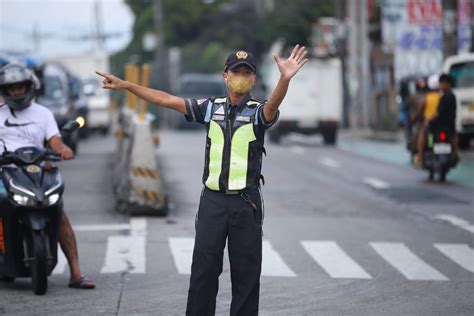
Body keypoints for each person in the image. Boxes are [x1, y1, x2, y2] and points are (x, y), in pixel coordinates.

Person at [96, 44, 308, 315]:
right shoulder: (210, 108)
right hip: (213, 203)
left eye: (247, 72)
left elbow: (274, 104)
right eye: (236, 71)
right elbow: (166, 100)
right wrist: (127, 85)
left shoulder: (258, 112)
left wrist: (284, 79)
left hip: (246, 205)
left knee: (246, 277)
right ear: (225, 76)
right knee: (203, 274)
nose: (241, 76)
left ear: (253, 78)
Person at [0, 64, 95, 289]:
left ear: (30, 87)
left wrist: (62, 149)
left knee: (58, 211)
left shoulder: (42, 113)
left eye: (21, 87)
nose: (17, 93)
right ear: (4, 90)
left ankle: (76, 274)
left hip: (38, 169)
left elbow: (55, 140)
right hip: (5, 170)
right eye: (11, 89)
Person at [415, 73, 457, 166]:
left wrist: (426, 120)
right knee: (454, 135)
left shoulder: (434, 97)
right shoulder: (446, 95)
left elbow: (435, 112)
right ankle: (456, 153)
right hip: (449, 125)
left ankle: (420, 156)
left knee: (424, 134)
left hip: (435, 124)